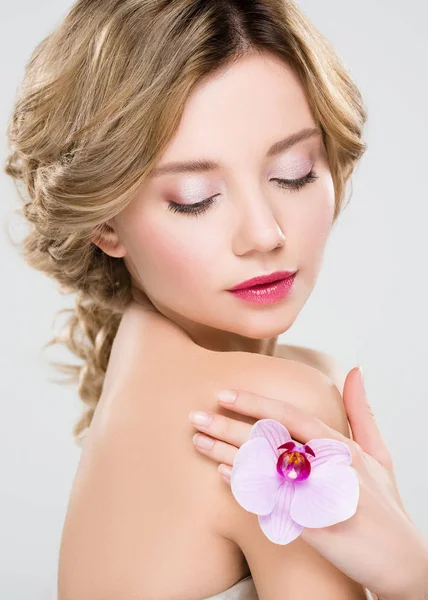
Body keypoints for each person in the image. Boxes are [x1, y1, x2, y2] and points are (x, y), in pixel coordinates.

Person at [4, 1, 427, 599]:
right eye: (195, 197)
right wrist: (414, 576)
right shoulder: (271, 413)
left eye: (294, 171)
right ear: (106, 224)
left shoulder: (142, 376)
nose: (264, 233)